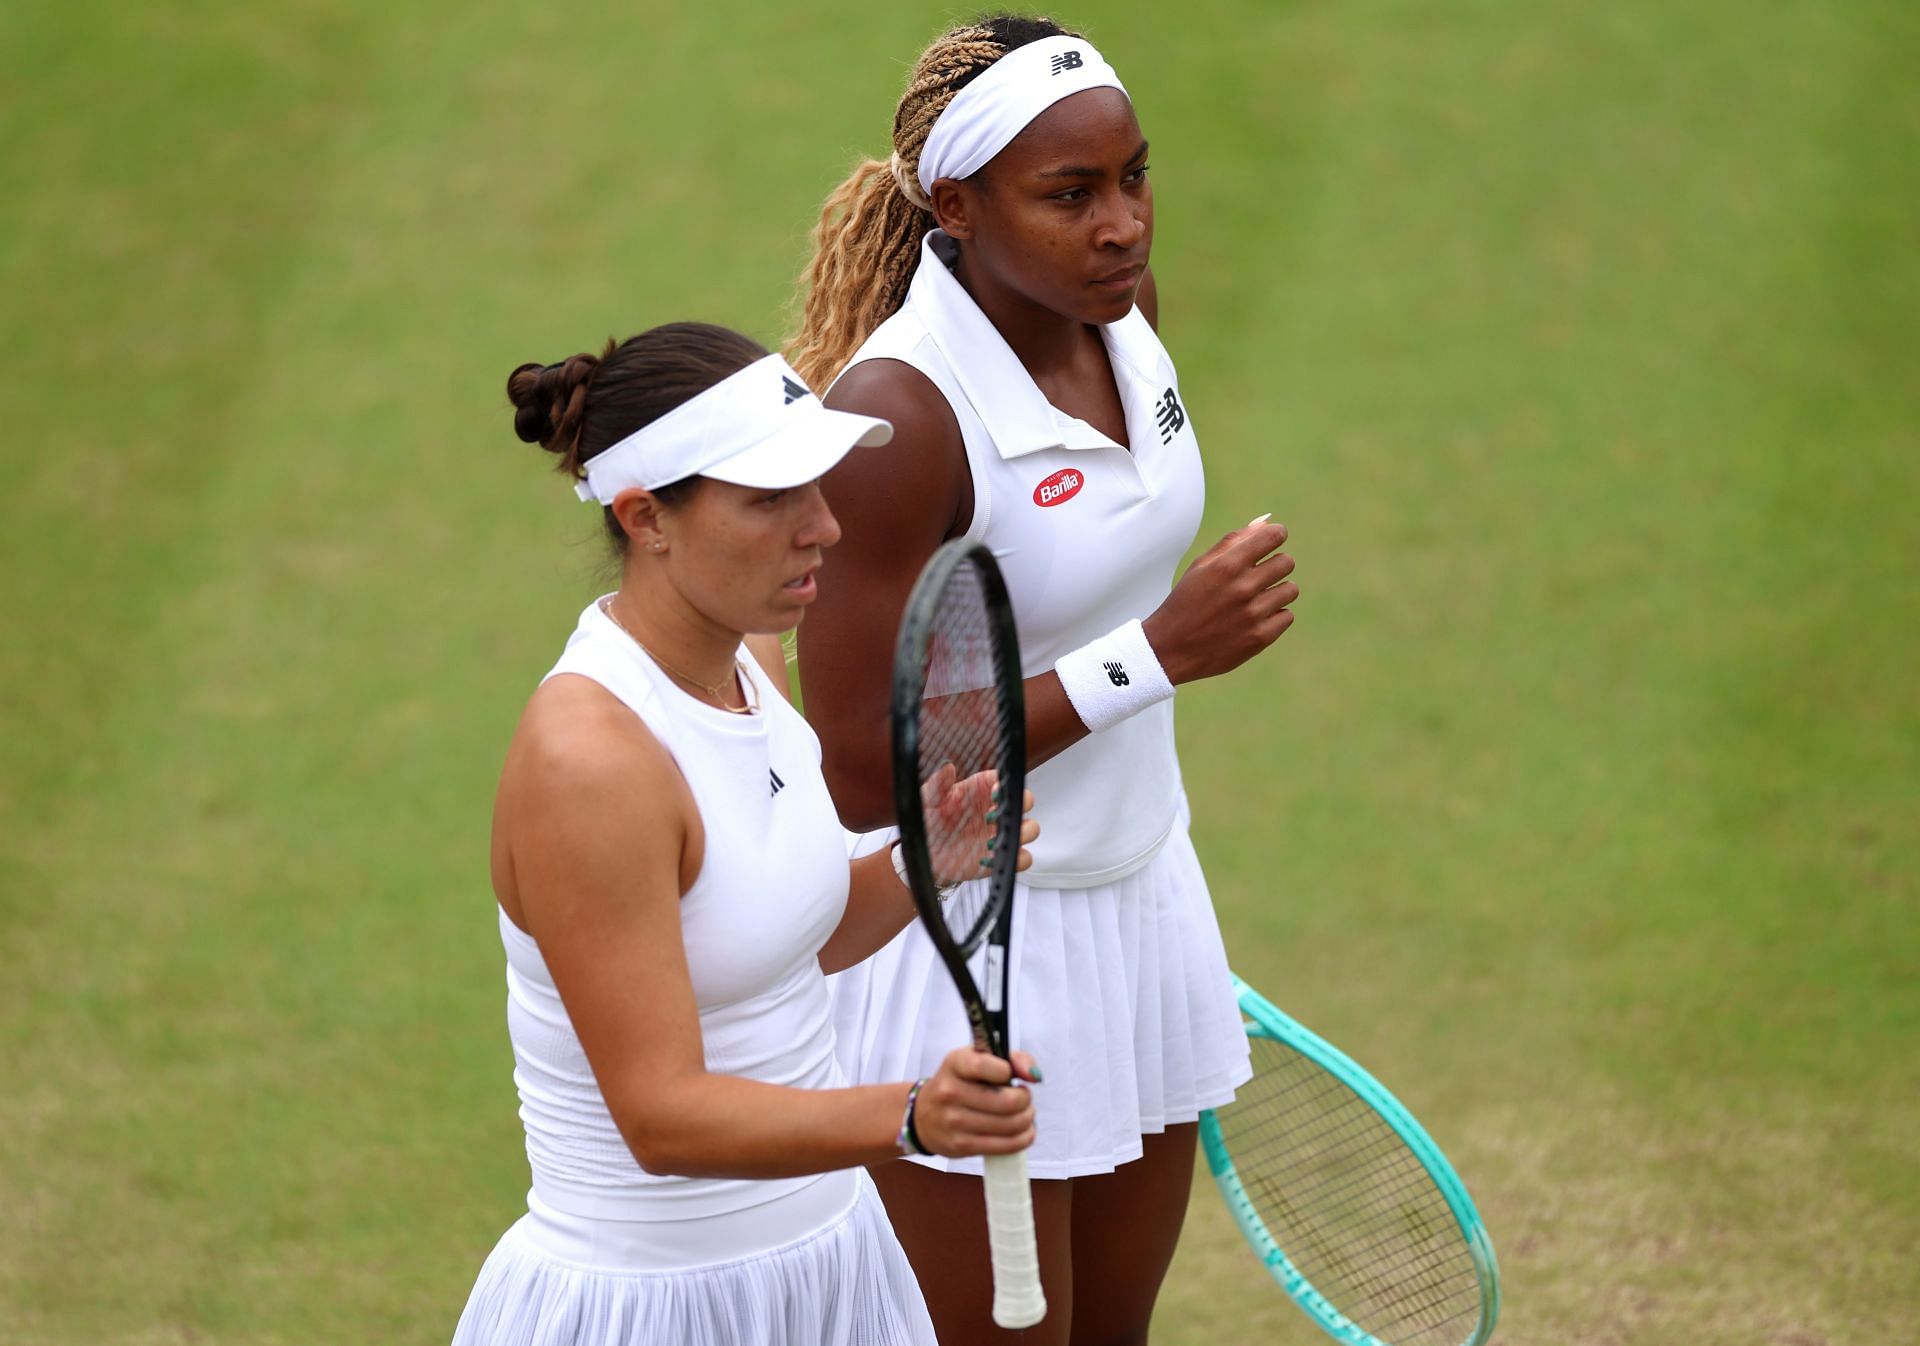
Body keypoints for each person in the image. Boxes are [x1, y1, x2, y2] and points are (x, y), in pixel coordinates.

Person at [787, 16, 1301, 1345]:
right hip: (969, 951)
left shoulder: (1118, 321)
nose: (1124, 224)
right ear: (957, 207)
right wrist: (1160, 655)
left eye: (1133, 177)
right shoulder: (899, 420)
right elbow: (860, 766)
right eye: (1070, 195)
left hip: (1139, 895)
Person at [452, 321, 1041, 1346]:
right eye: (771, 500)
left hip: (834, 1260)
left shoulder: (755, 661)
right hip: (656, 1304)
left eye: (816, 487)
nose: (824, 528)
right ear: (648, 519)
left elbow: (777, 943)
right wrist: (907, 1115)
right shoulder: (590, 758)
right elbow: (662, 1116)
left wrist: (917, 867)